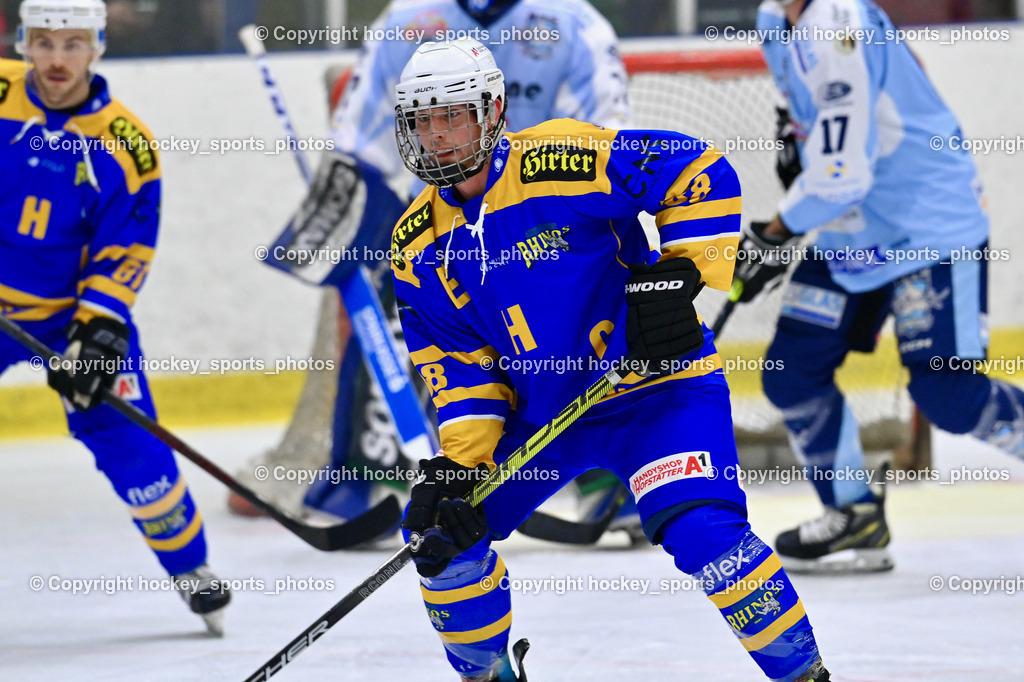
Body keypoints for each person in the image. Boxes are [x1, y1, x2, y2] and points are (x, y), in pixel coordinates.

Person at [392, 38, 832, 682]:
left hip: (657, 394)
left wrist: (679, 277)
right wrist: (462, 466)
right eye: (422, 120)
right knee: (440, 536)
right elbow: (459, 366)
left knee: (707, 535)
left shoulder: (556, 160)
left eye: (452, 114)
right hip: (546, 422)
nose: (438, 136)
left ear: (493, 111)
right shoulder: (415, 248)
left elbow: (695, 168)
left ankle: (807, 677)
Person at [236, 0, 639, 544]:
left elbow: (606, 133)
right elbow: (364, 135)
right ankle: (363, 480)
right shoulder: (408, 22)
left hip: (545, 214)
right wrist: (348, 209)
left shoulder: (574, 24)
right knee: (396, 314)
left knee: (580, 328)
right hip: (439, 217)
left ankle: (607, 479)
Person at [732, 0, 1024, 572]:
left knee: (950, 395)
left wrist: (773, 234)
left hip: (927, 227)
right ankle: (855, 516)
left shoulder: (838, 26)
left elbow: (844, 174)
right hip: (853, 232)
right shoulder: (776, 20)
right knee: (793, 373)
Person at [0, 0, 230, 633]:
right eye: (43, 42)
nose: (55, 59)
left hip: (71, 317)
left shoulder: (128, 145)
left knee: (131, 443)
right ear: (22, 41)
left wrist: (98, 331)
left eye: (72, 44)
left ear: (98, 46)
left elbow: (124, 247)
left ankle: (190, 567)